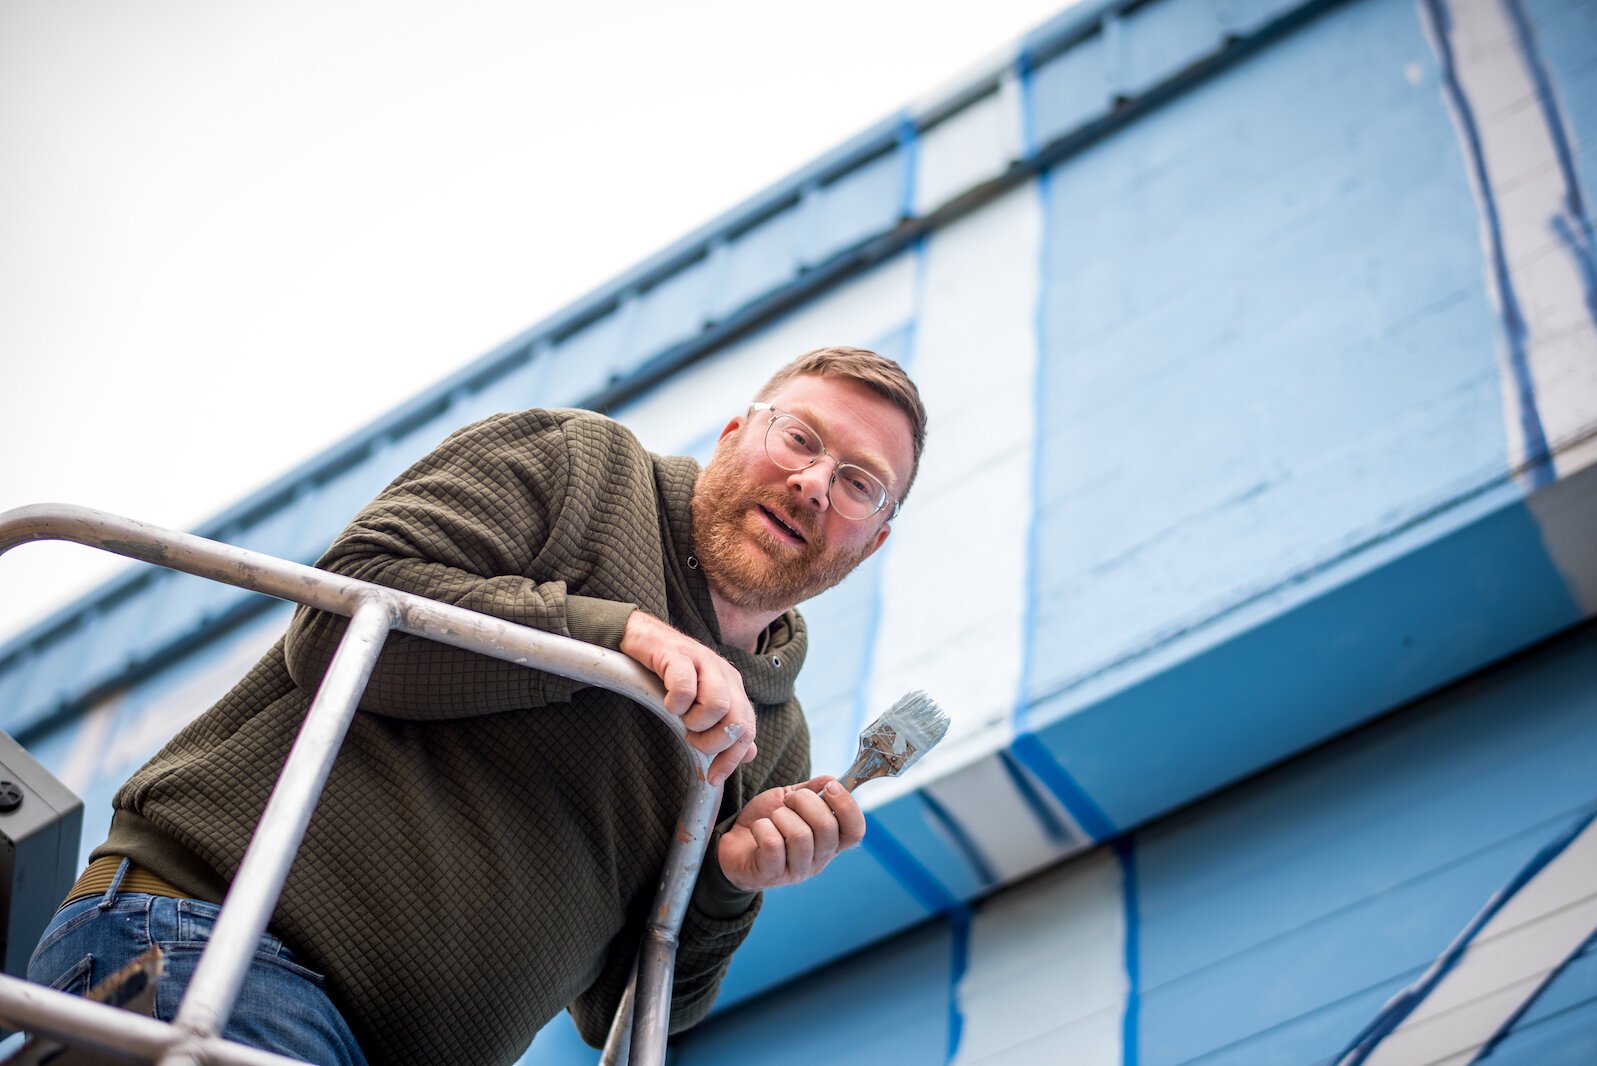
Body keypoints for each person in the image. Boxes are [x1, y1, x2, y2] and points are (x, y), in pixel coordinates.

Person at [26, 346, 928, 1066]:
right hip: (217, 944)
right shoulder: (582, 465)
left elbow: (628, 1009)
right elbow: (342, 616)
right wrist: (613, 637)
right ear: (737, 431)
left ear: (876, 539)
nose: (815, 482)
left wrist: (730, 881)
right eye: (800, 439)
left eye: (858, 481)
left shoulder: (773, 737)